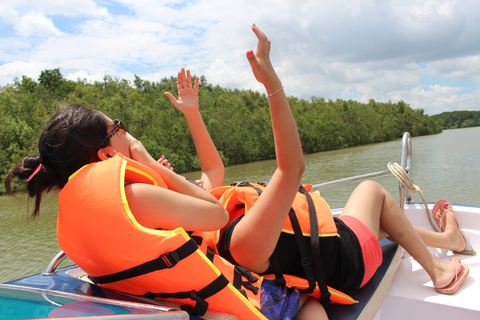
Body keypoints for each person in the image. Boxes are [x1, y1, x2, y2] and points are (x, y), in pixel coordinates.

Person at [5, 25, 469, 320]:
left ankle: (446, 241)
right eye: (119, 128)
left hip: (287, 259)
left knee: (360, 217)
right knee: (373, 192)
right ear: (106, 155)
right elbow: (287, 170)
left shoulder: (134, 226)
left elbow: (212, 175)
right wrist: (274, 87)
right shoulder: (223, 231)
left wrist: (191, 116)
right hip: (341, 261)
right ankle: (441, 268)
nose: (129, 133)